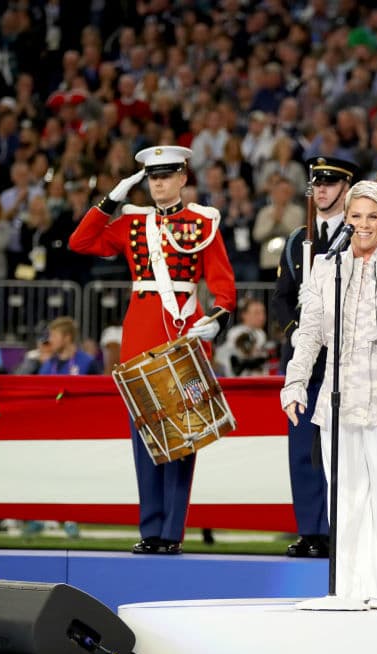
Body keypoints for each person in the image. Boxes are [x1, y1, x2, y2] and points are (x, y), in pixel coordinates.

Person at [69, 144, 236, 555]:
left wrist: (218, 318)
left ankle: (172, 531)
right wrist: (113, 197)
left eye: (166, 176)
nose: (159, 184)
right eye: (153, 177)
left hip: (184, 336)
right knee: (145, 435)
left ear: (182, 178)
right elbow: (80, 241)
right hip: (140, 337)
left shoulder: (202, 222)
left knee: (185, 434)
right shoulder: (132, 222)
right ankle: (150, 528)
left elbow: (223, 284)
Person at [280, 180, 377, 608]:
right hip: (341, 390)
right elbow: (310, 333)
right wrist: (295, 382)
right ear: (345, 220)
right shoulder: (325, 267)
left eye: (372, 217)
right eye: (356, 216)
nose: (363, 225)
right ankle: (349, 587)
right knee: (345, 495)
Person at [272, 155, 358, 559]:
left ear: (346, 188)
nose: (321, 190)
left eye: (330, 183)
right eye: (317, 183)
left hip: (345, 356)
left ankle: (340, 530)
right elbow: (281, 298)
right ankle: (311, 530)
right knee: (303, 448)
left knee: (342, 449)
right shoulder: (297, 240)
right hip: (305, 360)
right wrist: (298, 330)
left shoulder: (358, 235)